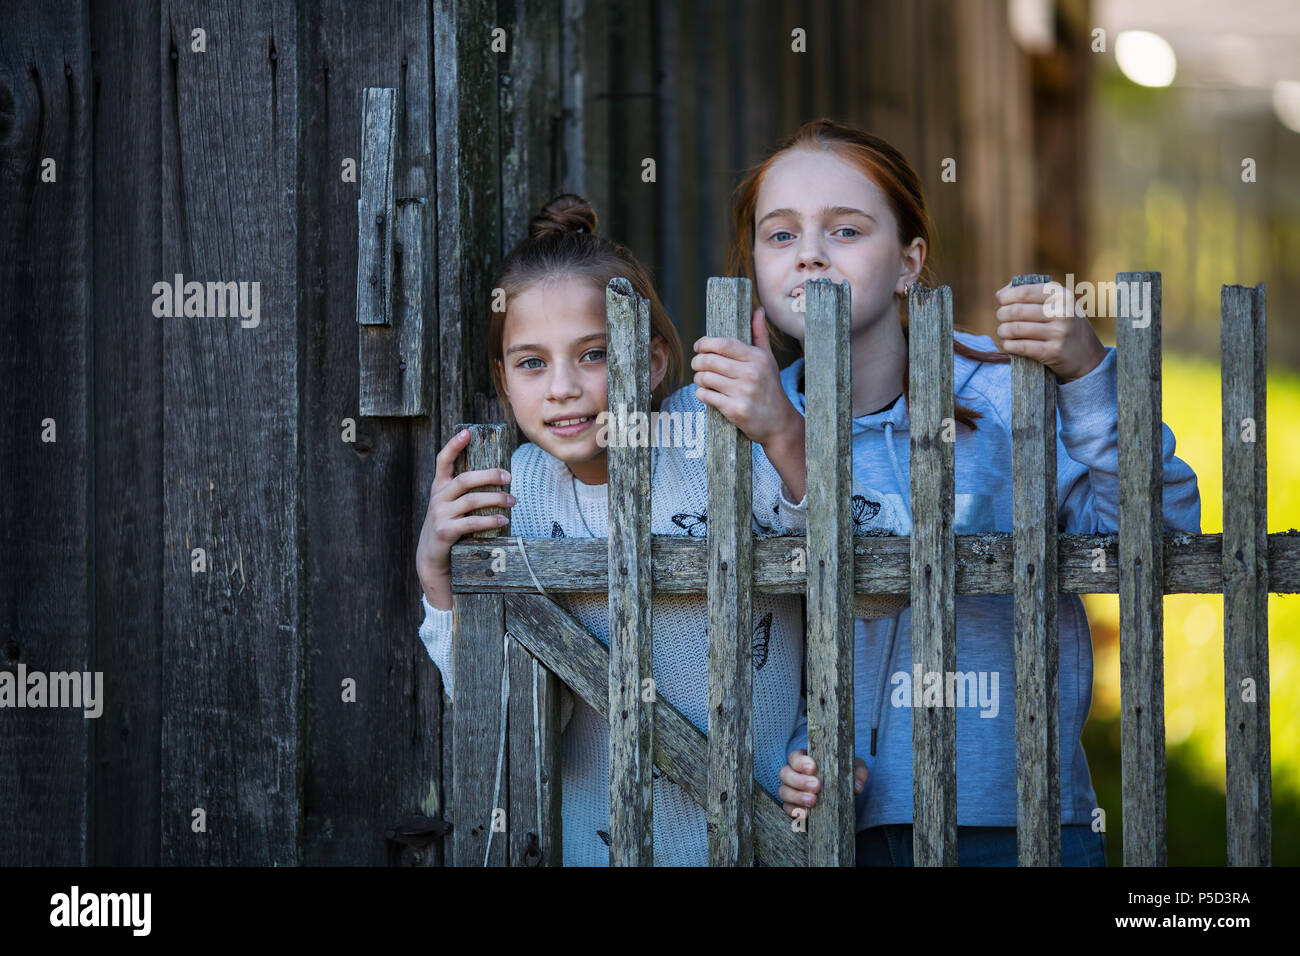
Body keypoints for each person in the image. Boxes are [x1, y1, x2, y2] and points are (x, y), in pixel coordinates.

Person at [727, 118, 1201, 866]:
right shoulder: (740, 424)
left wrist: (1085, 376)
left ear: (911, 261)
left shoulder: (1006, 399)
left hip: (1017, 817)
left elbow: (1165, 538)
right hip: (826, 829)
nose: (810, 252)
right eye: (779, 235)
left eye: (845, 230)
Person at [414, 192, 905, 865]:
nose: (562, 387)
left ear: (650, 361)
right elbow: (503, 716)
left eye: (592, 354)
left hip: (755, 839)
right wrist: (441, 583)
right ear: (504, 379)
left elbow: (878, 573)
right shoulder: (513, 493)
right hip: (595, 849)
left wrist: (787, 435)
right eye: (532, 363)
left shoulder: (712, 442)